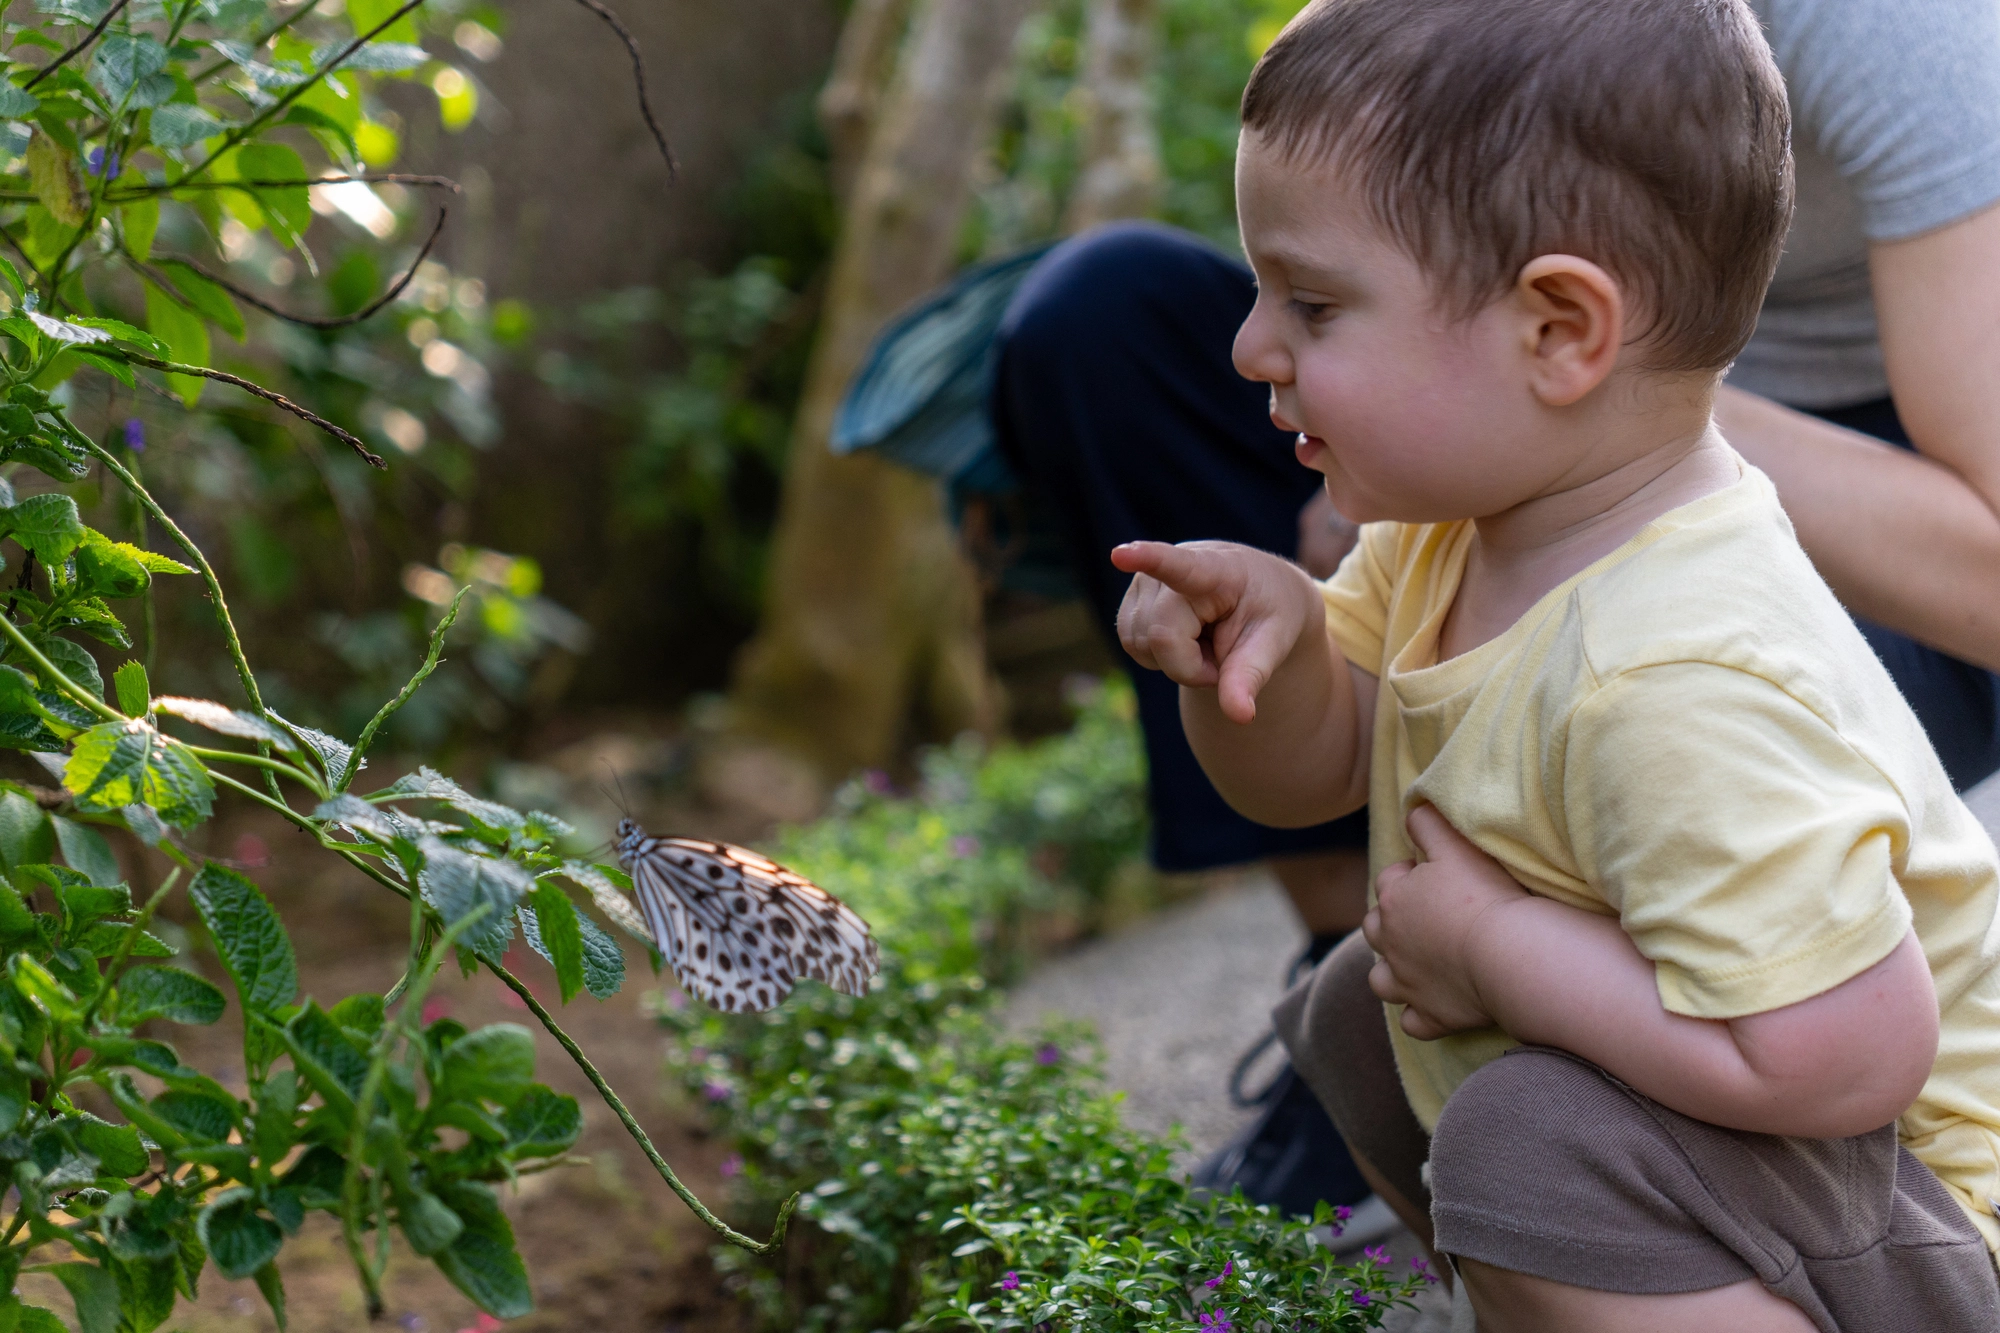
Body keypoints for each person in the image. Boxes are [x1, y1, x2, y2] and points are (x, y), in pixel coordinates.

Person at [990, 0, 2000, 1225]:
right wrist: (1274, 650)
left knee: (1521, 1133)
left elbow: (1846, 1057)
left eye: (1304, 306)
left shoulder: (1681, 669)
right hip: (1563, 407)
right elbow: (1314, 766)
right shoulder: (1444, 532)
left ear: (1562, 326)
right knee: (1364, 1016)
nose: (1249, 347)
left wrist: (1495, 956)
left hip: (1895, 1212)